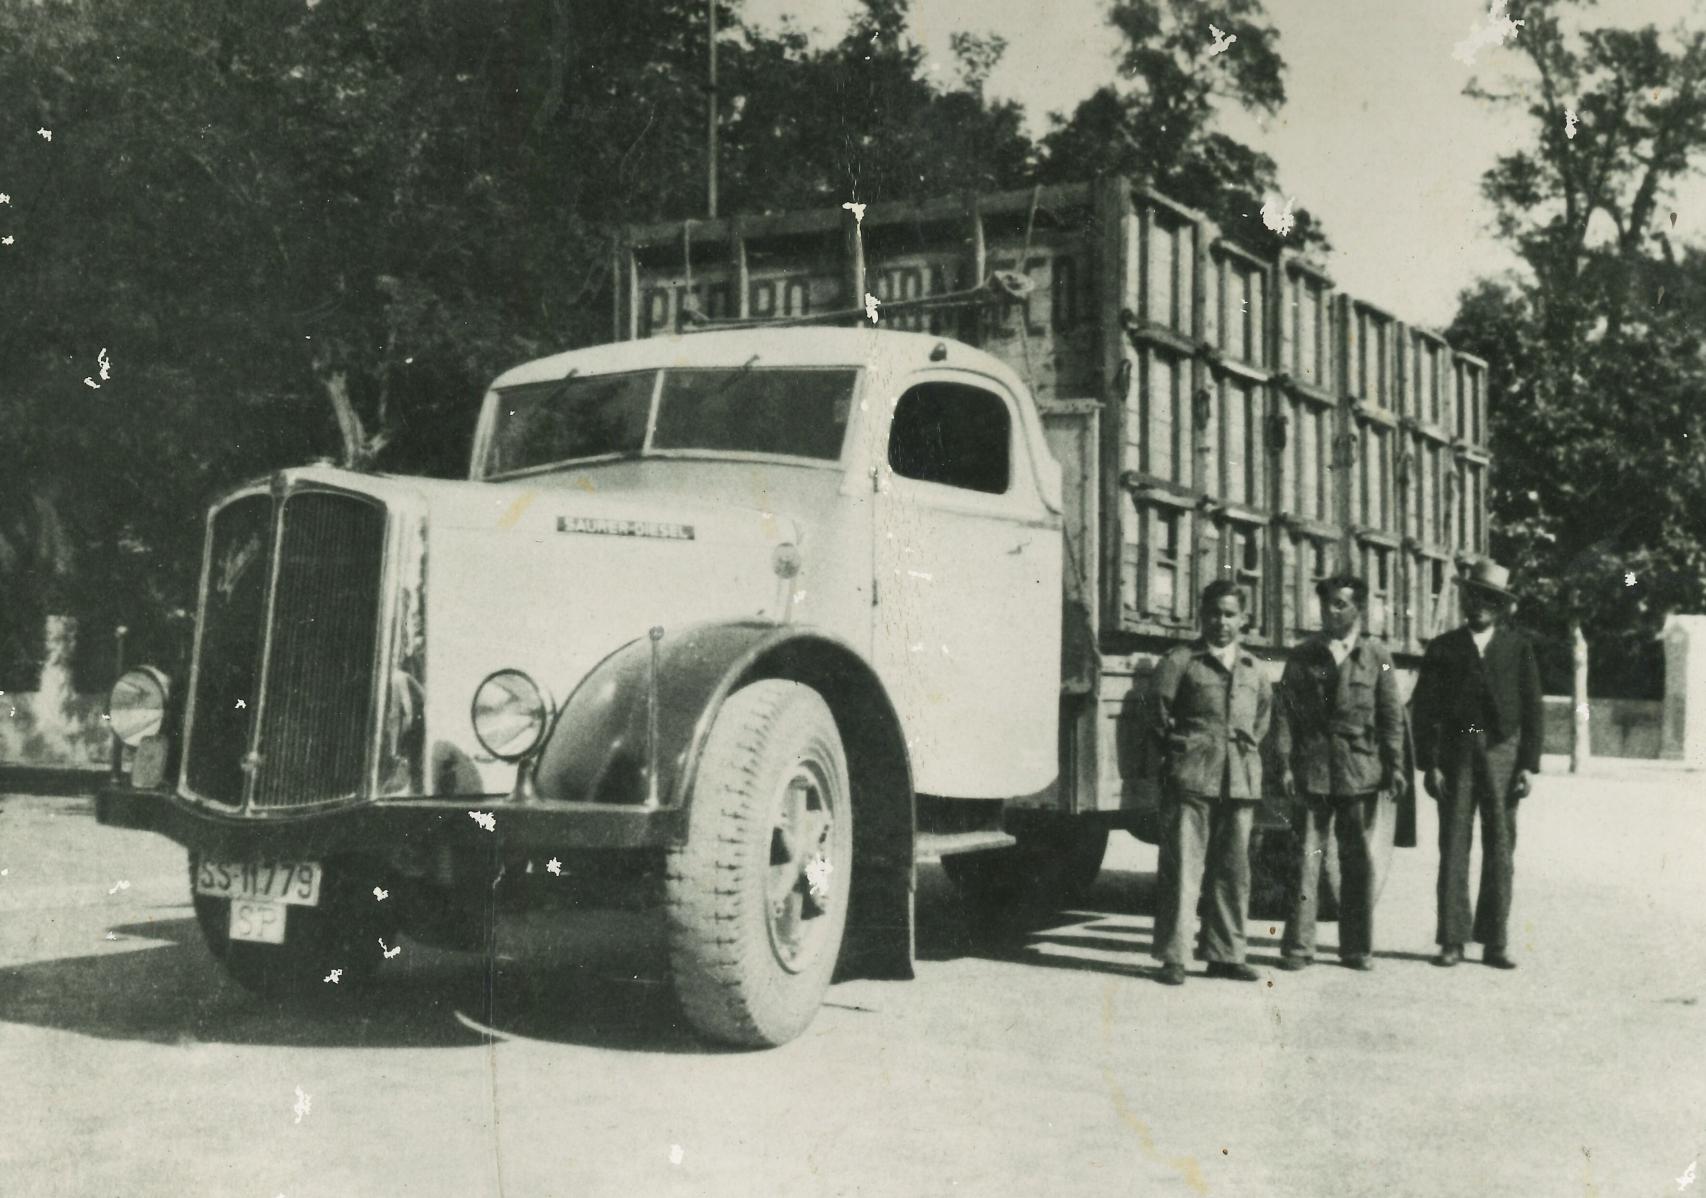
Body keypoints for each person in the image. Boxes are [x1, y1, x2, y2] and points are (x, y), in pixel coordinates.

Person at [1410, 558, 1543, 969]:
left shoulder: (1517, 648)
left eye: (1490, 599)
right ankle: (1452, 939)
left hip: (1502, 750)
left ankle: (1495, 941)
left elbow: (1533, 709)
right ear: (1465, 598)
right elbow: (1424, 710)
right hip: (1457, 751)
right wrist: (1430, 763)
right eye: (1475, 596)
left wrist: (1527, 765)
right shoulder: (1444, 647)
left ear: (1500, 606)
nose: (1480, 605)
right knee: (1454, 844)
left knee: (1501, 846)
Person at [1271, 573, 1406, 972]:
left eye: (1341, 604)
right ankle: (1298, 947)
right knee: (1305, 859)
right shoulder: (1303, 655)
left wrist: (1396, 766)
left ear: (1358, 610)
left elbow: (1390, 715)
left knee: (1357, 861)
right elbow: (1285, 715)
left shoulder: (1377, 654)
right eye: (1327, 604)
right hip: (1312, 767)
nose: (1331, 612)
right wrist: (1284, 762)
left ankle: (1356, 949)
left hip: (1357, 768)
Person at [1148, 580, 1273, 985]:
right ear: (1202, 617)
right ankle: (1175, 957)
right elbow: (1157, 714)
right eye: (1214, 613)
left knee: (1234, 872)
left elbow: (1261, 720)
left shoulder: (1255, 668)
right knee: (1183, 869)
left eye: (1230, 614)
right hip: (1192, 778)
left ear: (1244, 619)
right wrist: (1182, 752)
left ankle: (1226, 954)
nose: (1222, 622)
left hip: (1238, 781)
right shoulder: (1181, 661)